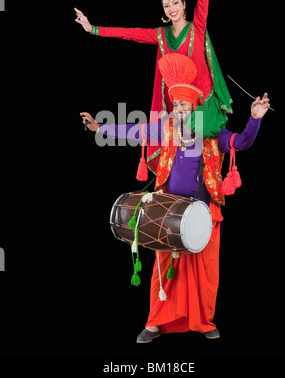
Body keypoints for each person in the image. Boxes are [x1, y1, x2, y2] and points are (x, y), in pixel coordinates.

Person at [80, 53, 270, 342]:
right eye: (176, 104)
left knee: (205, 272)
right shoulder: (166, 128)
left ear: (195, 106)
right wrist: (99, 128)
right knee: (162, 269)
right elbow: (133, 131)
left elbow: (241, 142)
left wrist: (254, 119)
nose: (179, 108)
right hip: (167, 214)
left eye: (184, 104)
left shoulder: (211, 134)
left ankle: (204, 322)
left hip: (204, 213)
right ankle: (155, 323)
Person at [75, 0, 233, 175]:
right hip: (179, 110)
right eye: (166, 6)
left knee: (208, 157)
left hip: (202, 105)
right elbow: (128, 33)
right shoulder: (160, 35)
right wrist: (93, 28)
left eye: (175, 3)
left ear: (184, 5)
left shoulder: (197, 28)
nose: (171, 9)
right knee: (174, 152)